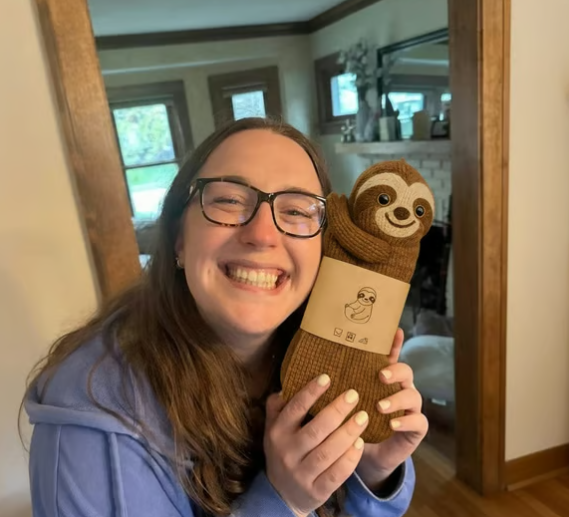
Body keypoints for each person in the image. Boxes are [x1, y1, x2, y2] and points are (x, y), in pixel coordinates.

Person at [22, 117, 428, 517]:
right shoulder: (95, 417)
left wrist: (369, 471)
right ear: (179, 238)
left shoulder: (315, 355)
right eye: (229, 201)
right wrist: (282, 502)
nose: (262, 235)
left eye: (296, 210)